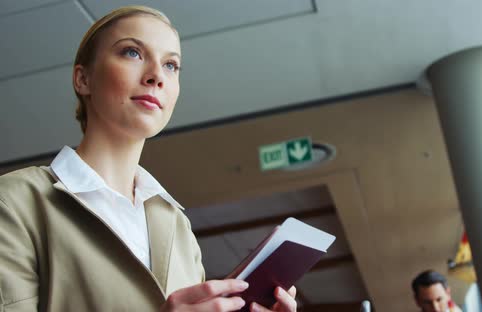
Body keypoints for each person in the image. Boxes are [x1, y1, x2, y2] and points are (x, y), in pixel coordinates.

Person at [0, 6, 296, 312]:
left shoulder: (177, 226)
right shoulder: (13, 203)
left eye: (171, 65)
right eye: (132, 52)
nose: (157, 75)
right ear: (83, 79)